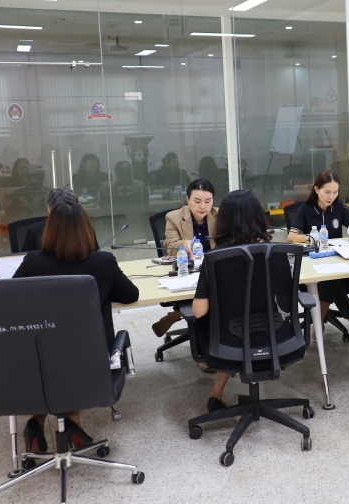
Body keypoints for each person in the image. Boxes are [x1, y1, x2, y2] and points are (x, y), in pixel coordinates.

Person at [13, 198, 138, 453]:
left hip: (41, 360)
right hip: (91, 362)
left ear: (48, 232)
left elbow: (12, 298)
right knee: (75, 361)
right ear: (87, 230)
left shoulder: (33, 262)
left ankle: (35, 421)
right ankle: (72, 420)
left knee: (52, 364)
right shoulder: (102, 262)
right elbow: (130, 294)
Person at [192, 189, 294, 412]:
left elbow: (198, 311)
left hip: (228, 343)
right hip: (273, 337)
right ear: (259, 217)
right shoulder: (276, 253)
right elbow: (286, 305)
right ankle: (217, 393)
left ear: (223, 221)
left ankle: (216, 393)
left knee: (218, 321)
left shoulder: (215, 259)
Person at [286, 170, 349, 348]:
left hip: (339, 263)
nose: (331, 197)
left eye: (335, 192)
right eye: (327, 192)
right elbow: (291, 237)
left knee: (333, 281)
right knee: (333, 282)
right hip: (314, 268)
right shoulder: (305, 210)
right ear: (317, 190)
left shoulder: (340, 208)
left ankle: (319, 323)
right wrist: (312, 237)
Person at [151, 179, 218, 338]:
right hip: (189, 270)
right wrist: (184, 244)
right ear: (188, 199)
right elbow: (171, 247)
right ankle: (203, 343)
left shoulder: (220, 215)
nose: (203, 206)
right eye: (197, 201)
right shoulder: (173, 217)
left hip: (214, 268)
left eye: (208, 201)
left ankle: (177, 314)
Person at [21, 187, 100, 252]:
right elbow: (24, 259)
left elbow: (94, 256)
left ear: (49, 210)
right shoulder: (35, 231)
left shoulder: (86, 228)